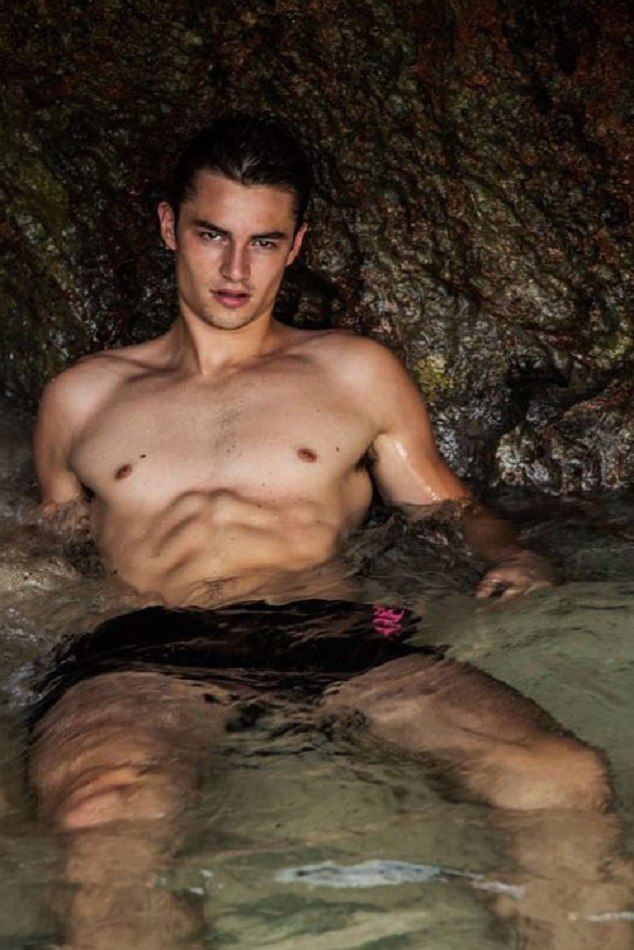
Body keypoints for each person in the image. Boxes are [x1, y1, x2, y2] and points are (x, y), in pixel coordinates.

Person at [29, 114, 620, 949]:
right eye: (212, 235)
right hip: (146, 646)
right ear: (168, 226)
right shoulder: (82, 398)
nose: (236, 270)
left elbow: (447, 507)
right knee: (104, 813)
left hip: (331, 633)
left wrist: (513, 553)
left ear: (296, 246)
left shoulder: (353, 373)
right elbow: (53, 548)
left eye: (264, 243)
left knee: (557, 774)